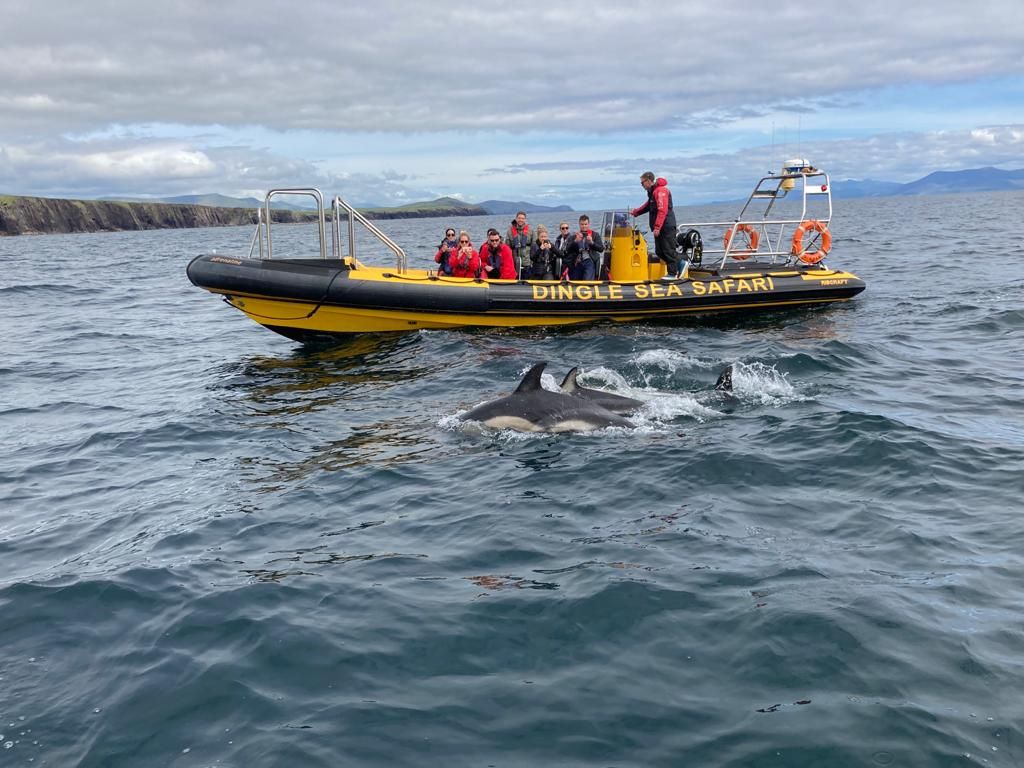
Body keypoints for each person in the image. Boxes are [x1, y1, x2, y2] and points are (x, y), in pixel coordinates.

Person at [631, 171, 680, 278]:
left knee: (668, 250)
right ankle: (680, 264)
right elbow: (648, 205)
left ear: (648, 181)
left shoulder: (660, 191)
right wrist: (636, 212)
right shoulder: (653, 192)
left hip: (665, 226)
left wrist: (657, 227)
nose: (642, 185)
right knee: (659, 251)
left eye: (642, 183)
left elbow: (662, 210)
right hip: (659, 227)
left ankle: (672, 273)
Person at [566, 214, 605, 280]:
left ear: (589, 224)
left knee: (587, 279)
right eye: (582, 224)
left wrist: (592, 243)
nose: (584, 226)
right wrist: (575, 241)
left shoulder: (595, 235)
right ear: (579, 224)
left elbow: (601, 249)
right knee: (575, 280)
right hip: (577, 261)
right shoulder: (574, 236)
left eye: (585, 224)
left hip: (589, 261)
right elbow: (567, 250)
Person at [506, 211, 535, 279]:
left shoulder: (531, 231)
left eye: (522, 218)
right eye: (519, 218)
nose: (520, 220)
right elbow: (507, 247)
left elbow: (534, 246)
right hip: (514, 261)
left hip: (527, 262)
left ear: (525, 219)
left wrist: (532, 261)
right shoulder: (510, 231)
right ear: (516, 218)